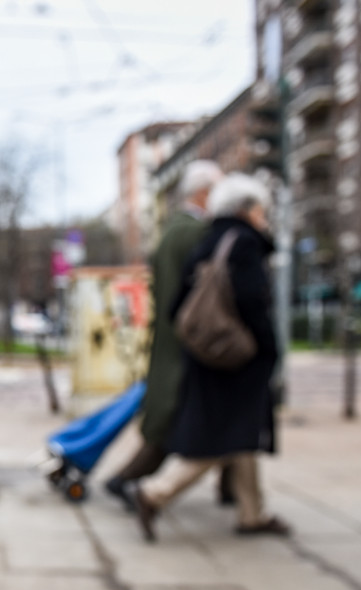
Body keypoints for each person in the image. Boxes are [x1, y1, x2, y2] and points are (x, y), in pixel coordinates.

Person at [124, 173, 290, 542]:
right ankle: (154, 493)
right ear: (247, 208)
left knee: (241, 436)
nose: (264, 216)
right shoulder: (243, 243)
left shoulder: (208, 241)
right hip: (237, 358)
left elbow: (177, 305)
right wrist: (267, 349)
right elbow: (252, 306)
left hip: (206, 356)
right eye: (262, 208)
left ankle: (252, 513)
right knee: (224, 437)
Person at [105, 160, 224, 504]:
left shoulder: (174, 229)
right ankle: (134, 483)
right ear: (203, 192)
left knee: (177, 416)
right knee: (176, 418)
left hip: (173, 339)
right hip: (187, 341)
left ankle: (236, 493)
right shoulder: (194, 232)